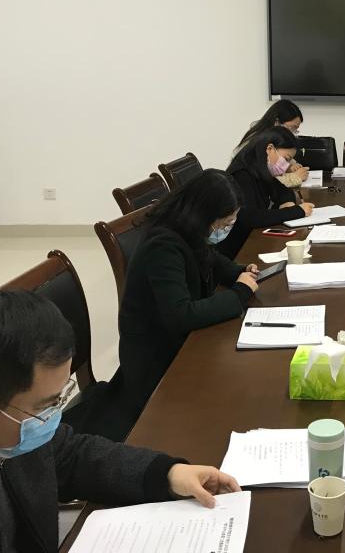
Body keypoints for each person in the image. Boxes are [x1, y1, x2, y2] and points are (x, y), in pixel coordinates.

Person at [0, 288, 241, 552]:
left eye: (59, 399)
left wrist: (166, 473)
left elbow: (71, 455)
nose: (52, 417)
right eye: (44, 406)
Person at [101, 169, 261, 439]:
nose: (224, 231)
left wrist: (239, 271)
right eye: (223, 224)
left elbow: (210, 260)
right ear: (204, 215)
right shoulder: (163, 245)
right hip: (157, 358)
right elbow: (182, 315)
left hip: (181, 342)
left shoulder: (188, 230)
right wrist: (238, 294)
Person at [217, 126, 314, 259]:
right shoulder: (242, 174)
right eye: (286, 158)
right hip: (238, 249)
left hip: (252, 239)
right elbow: (250, 218)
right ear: (270, 149)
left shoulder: (261, 169)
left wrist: (287, 202)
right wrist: (297, 211)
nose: (286, 165)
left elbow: (283, 191)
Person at [233, 99, 309, 188]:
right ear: (277, 122)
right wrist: (294, 178)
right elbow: (261, 182)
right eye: (292, 128)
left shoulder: (272, 139)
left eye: (296, 130)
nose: (292, 134)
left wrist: (290, 165)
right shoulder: (257, 141)